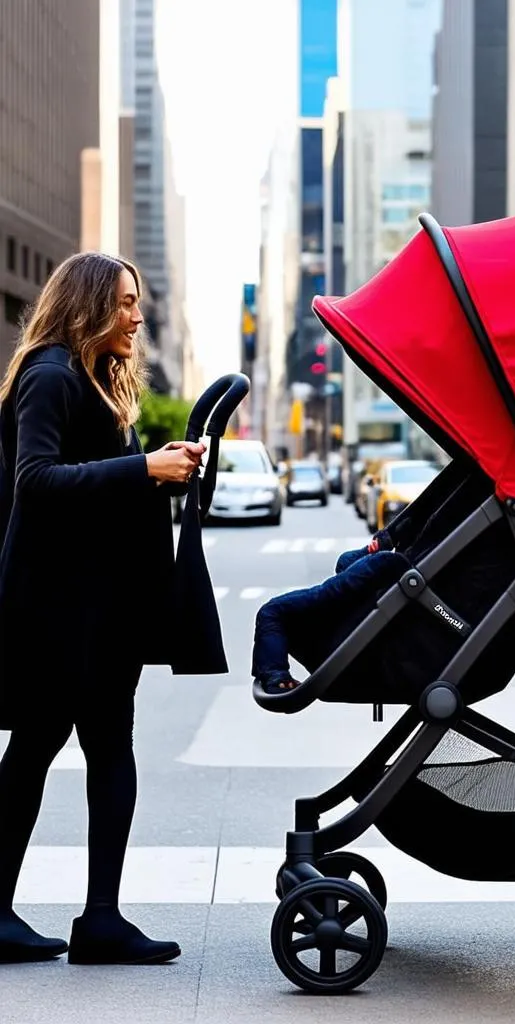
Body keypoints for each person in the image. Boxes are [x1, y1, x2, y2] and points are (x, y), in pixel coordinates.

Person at [0, 253, 206, 965]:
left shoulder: (85, 380)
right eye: (123, 302)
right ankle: (79, 919)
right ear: (87, 303)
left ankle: (97, 919)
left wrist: (160, 467)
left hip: (95, 610)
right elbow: (37, 482)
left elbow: (96, 490)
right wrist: (144, 468)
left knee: (90, 753)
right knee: (41, 754)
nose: (136, 316)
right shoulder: (50, 376)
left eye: (137, 302)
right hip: (61, 613)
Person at [253, 532, 405, 692]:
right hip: (393, 568)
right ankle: (273, 674)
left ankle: (276, 678)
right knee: (346, 560)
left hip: (392, 568)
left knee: (272, 611)